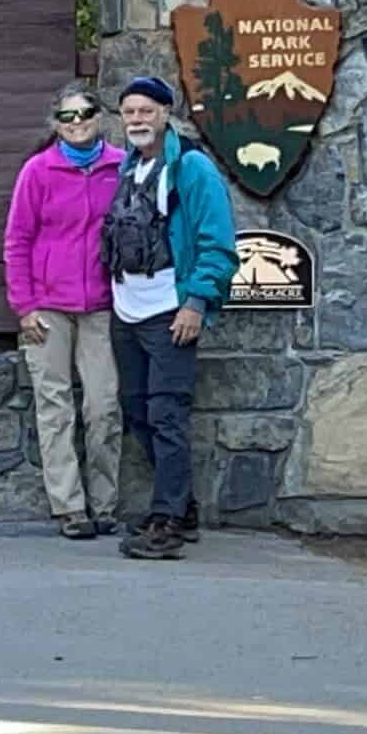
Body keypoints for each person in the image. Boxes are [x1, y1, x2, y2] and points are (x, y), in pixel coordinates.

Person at [102, 74, 237, 561]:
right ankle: (180, 505)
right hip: (127, 310)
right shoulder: (130, 168)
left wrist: (197, 302)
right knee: (138, 410)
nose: (137, 119)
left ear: (165, 113)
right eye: (129, 112)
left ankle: (167, 523)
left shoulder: (193, 169)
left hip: (169, 312)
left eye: (146, 110)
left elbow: (217, 240)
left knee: (167, 414)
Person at [1, 82, 124, 540]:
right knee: (55, 409)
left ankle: (105, 503)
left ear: (99, 116)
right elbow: (17, 241)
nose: (77, 124)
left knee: (103, 405)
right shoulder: (38, 171)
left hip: (103, 307)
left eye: (85, 113)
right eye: (68, 117)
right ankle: (70, 507)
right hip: (47, 308)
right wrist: (24, 305)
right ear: (57, 124)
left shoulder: (121, 166)